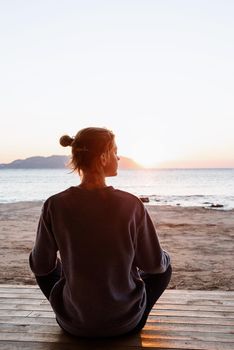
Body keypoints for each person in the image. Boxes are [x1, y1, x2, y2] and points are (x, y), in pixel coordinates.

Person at [29, 127, 172, 338]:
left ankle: (74, 310)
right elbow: (154, 265)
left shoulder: (54, 205)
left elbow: (41, 267)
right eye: (115, 151)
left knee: (46, 267)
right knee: (164, 267)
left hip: (74, 326)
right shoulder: (131, 204)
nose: (118, 157)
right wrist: (165, 257)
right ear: (103, 157)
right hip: (125, 325)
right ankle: (123, 312)